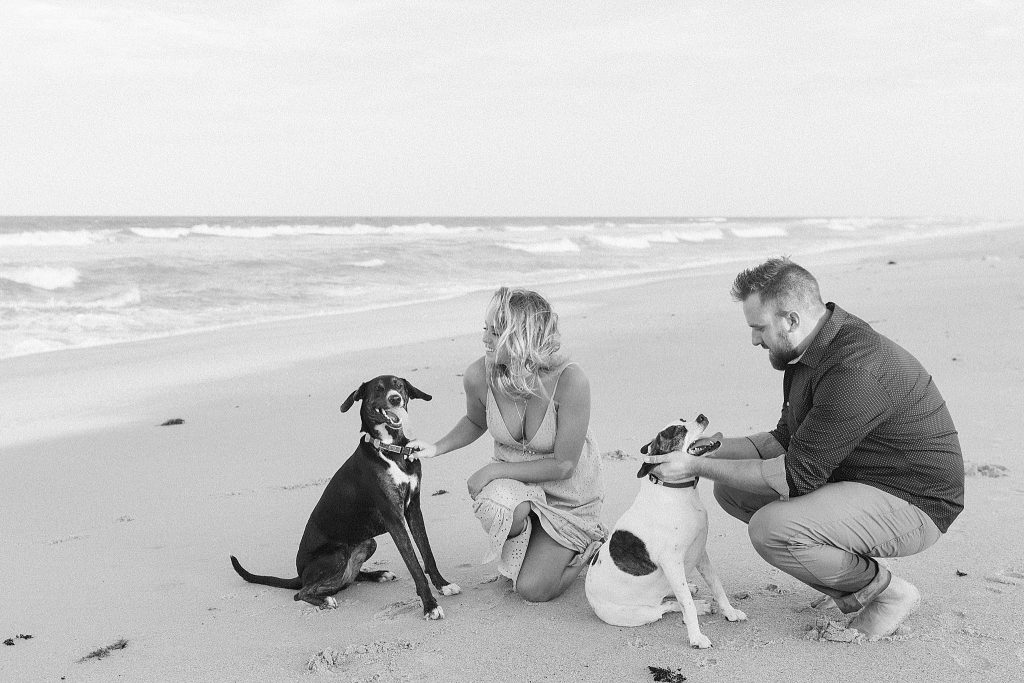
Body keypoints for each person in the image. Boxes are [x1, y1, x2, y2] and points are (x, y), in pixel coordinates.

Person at [642, 257, 963, 638]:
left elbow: (794, 476)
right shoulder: (808, 348)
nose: (754, 339)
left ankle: (888, 593)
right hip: (858, 476)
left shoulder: (853, 370)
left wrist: (693, 468)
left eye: (758, 327)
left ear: (791, 320)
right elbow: (784, 440)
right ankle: (844, 575)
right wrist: (702, 449)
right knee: (733, 489)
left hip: (916, 500)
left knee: (770, 529)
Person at [409, 287, 606, 602]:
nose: (485, 338)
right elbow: (476, 421)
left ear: (522, 338)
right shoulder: (478, 375)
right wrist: (436, 447)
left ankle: (589, 548)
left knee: (533, 590)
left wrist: (493, 471)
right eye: (485, 329)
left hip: (569, 500)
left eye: (496, 332)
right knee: (496, 504)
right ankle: (524, 540)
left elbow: (564, 465)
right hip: (521, 491)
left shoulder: (570, 381)